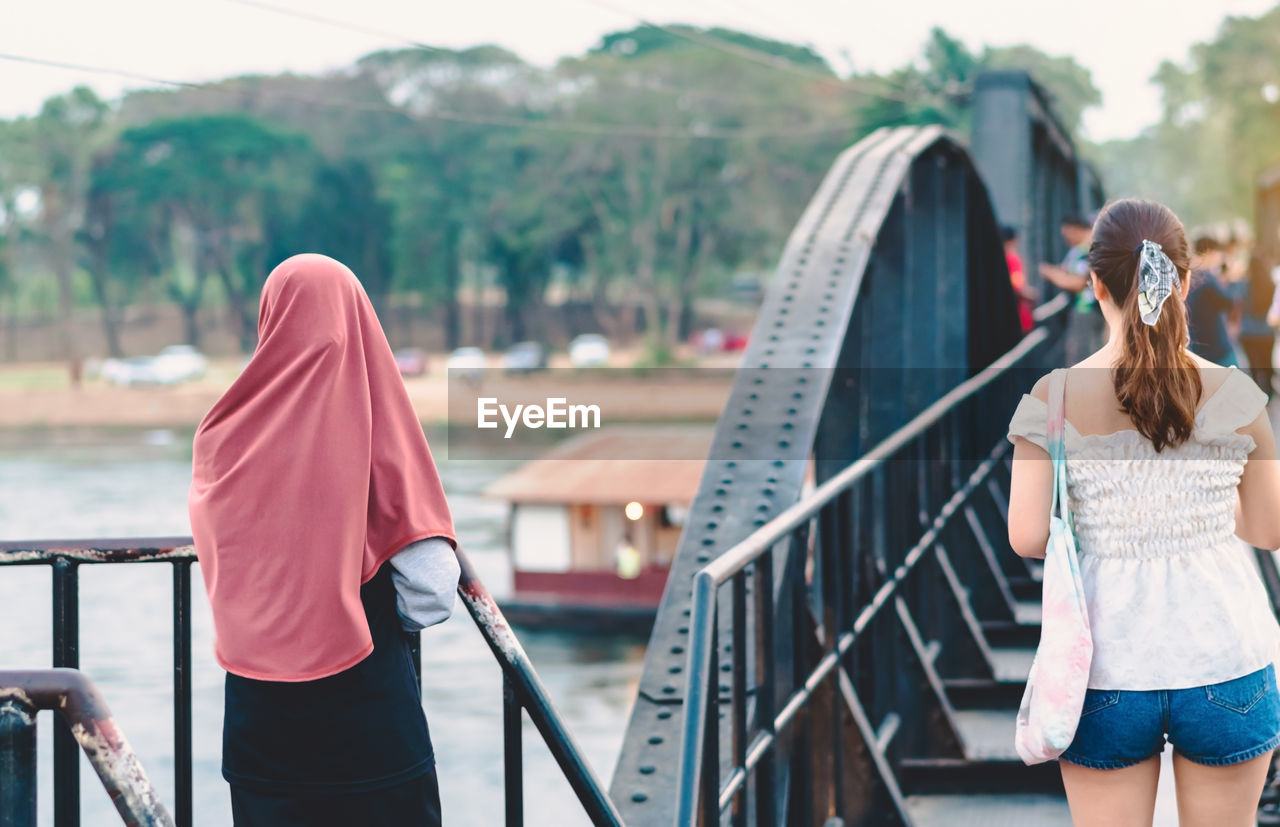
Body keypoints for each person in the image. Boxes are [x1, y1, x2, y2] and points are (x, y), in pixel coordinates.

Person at [1007, 199, 1280, 825]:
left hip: (1104, 671)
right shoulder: (1238, 394)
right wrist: (1198, 520)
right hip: (1227, 659)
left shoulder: (1053, 399)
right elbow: (1268, 530)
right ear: (1185, 282)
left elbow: (1026, 535)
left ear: (1096, 283)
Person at [189, 254, 460, 826]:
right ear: (358, 322)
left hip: (260, 730)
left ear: (269, 321)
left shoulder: (223, 433)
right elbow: (432, 587)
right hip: (366, 724)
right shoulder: (375, 423)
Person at [1039, 214, 1100, 363]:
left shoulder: (1086, 250)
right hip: (1087, 310)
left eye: (1066, 234)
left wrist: (1051, 274)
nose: (1066, 239)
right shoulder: (1082, 249)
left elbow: (1079, 283)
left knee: (1081, 358)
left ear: (1076, 229)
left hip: (1086, 309)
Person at [1186, 236, 1243, 366]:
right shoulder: (1205, 275)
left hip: (1198, 346)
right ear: (1209, 251)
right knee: (1236, 382)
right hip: (1217, 346)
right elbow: (1229, 300)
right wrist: (1232, 279)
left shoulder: (1189, 272)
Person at [1241, 252, 1277, 399]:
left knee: (1254, 367)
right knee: (1267, 364)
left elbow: (1239, 304)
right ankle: (1269, 392)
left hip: (1248, 332)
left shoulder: (1244, 285)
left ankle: (1257, 395)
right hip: (1266, 332)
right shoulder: (1271, 285)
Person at [1002, 225, 1035, 335]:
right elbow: (1018, 288)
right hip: (1017, 318)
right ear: (1013, 241)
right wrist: (1032, 295)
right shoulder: (1011, 259)